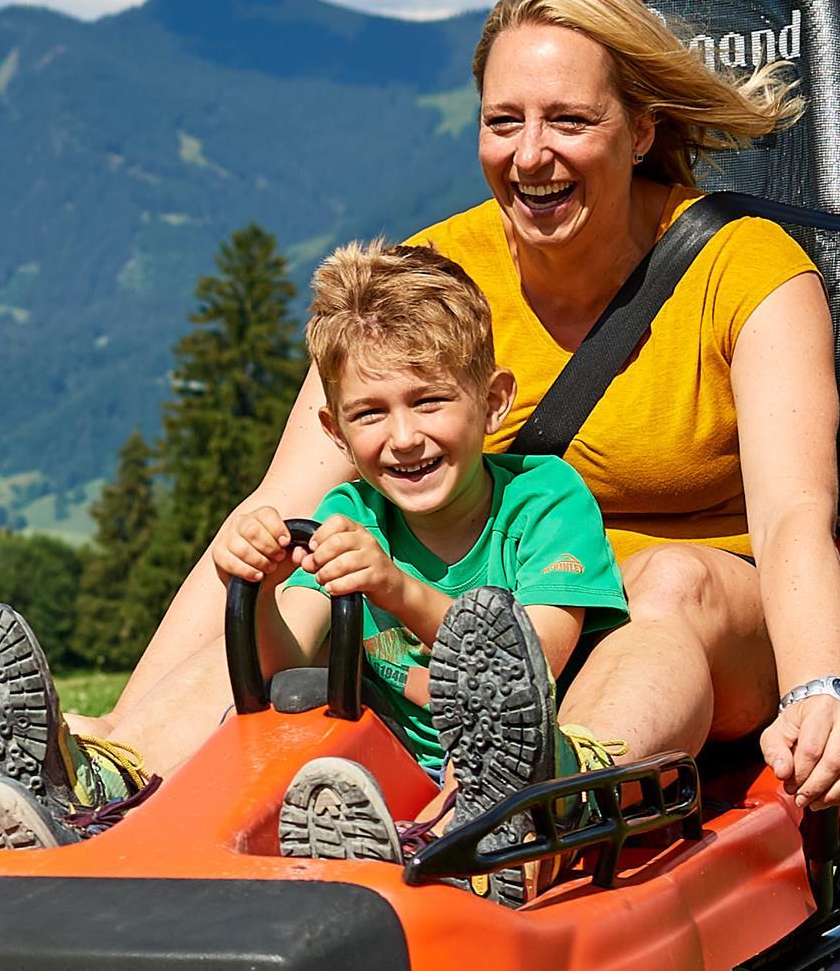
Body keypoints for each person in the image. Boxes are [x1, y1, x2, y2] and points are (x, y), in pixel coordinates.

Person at [0, 0, 840, 828]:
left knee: (666, 584)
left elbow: (797, 513)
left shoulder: (747, 271)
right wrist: (134, 713)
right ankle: (103, 777)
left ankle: (543, 790)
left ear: (641, 130)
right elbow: (284, 506)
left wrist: (817, 688)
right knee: (307, 578)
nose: (531, 154)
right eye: (503, 120)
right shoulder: (428, 284)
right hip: (466, 627)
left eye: (568, 120)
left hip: (695, 629)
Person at [203, 241, 625, 870]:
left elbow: (524, 664)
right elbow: (287, 666)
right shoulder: (350, 515)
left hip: (528, 764)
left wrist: (396, 589)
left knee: (505, 743)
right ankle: (111, 796)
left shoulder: (545, 501)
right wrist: (259, 592)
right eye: (369, 414)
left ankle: (475, 833)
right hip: (387, 770)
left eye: (429, 401)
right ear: (335, 432)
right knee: (280, 708)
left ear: (493, 401)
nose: (403, 439)